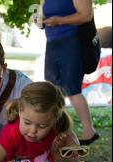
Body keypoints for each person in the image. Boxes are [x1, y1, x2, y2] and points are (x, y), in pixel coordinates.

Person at [39, 0, 99, 145]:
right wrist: (39, 20)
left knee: (71, 89)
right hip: (52, 42)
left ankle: (88, 132)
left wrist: (59, 20)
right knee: (52, 90)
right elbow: (41, 15)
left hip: (72, 41)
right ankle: (55, 131)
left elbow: (86, 15)